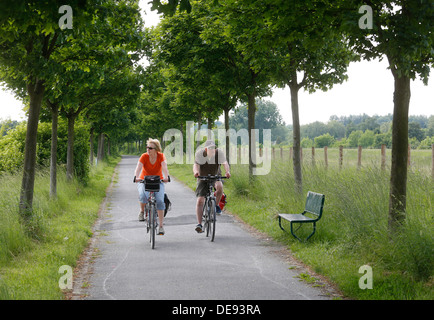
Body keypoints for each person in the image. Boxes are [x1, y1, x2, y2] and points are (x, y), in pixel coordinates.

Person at [193, 140, 230, 233]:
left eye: (213, 148)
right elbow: (196, 164)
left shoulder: (219, 153)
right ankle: (199, 224)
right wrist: (196, 172)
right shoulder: (200, 154)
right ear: (206, 149)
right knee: (200, 200)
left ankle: (216, 205)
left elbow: (225, 162)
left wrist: (227, 171)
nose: (212, 150)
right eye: (210, 148)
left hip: (215, 176)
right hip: (202, 177)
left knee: (220, 186)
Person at [134, 138, 170, 235]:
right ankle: (142, 211)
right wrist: (136, 177)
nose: (148, 149)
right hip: (144, 180)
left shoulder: (161, 156)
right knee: (142, 195)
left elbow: (165, 167)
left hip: (158, 181)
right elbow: (138, 167)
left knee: (160, 201)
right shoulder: (144, 156)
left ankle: (161, 226)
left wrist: (167, 177)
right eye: (147, 147)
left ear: (156, 149)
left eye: (150, 148)